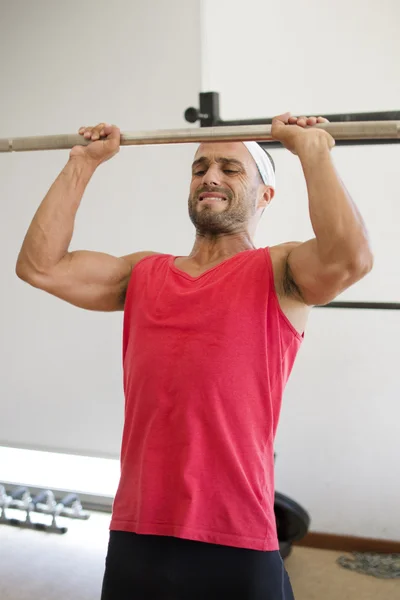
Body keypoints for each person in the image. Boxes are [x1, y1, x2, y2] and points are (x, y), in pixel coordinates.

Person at [15, 113, 373, 599]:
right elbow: (41, 267)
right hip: (138, 526)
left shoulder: (280, 270)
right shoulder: (143, 273)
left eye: (231, 168)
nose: (211, 176)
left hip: (235, 531)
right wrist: (82, 163)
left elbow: (349, 258)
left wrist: (312, 152)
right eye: (200, 166)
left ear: (265, 196)